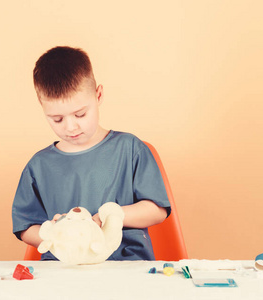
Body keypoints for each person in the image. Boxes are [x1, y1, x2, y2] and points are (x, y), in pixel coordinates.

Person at [12, 46, 170, 260]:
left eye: (80, 114)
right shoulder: (39, 166)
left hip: (126, 267)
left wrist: (110, 216)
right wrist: (58, 234)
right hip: (64, 270)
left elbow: (157, 210)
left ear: (98, 95)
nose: (70, 127)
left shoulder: (130, 149)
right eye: (57, 119)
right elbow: (25, 226)